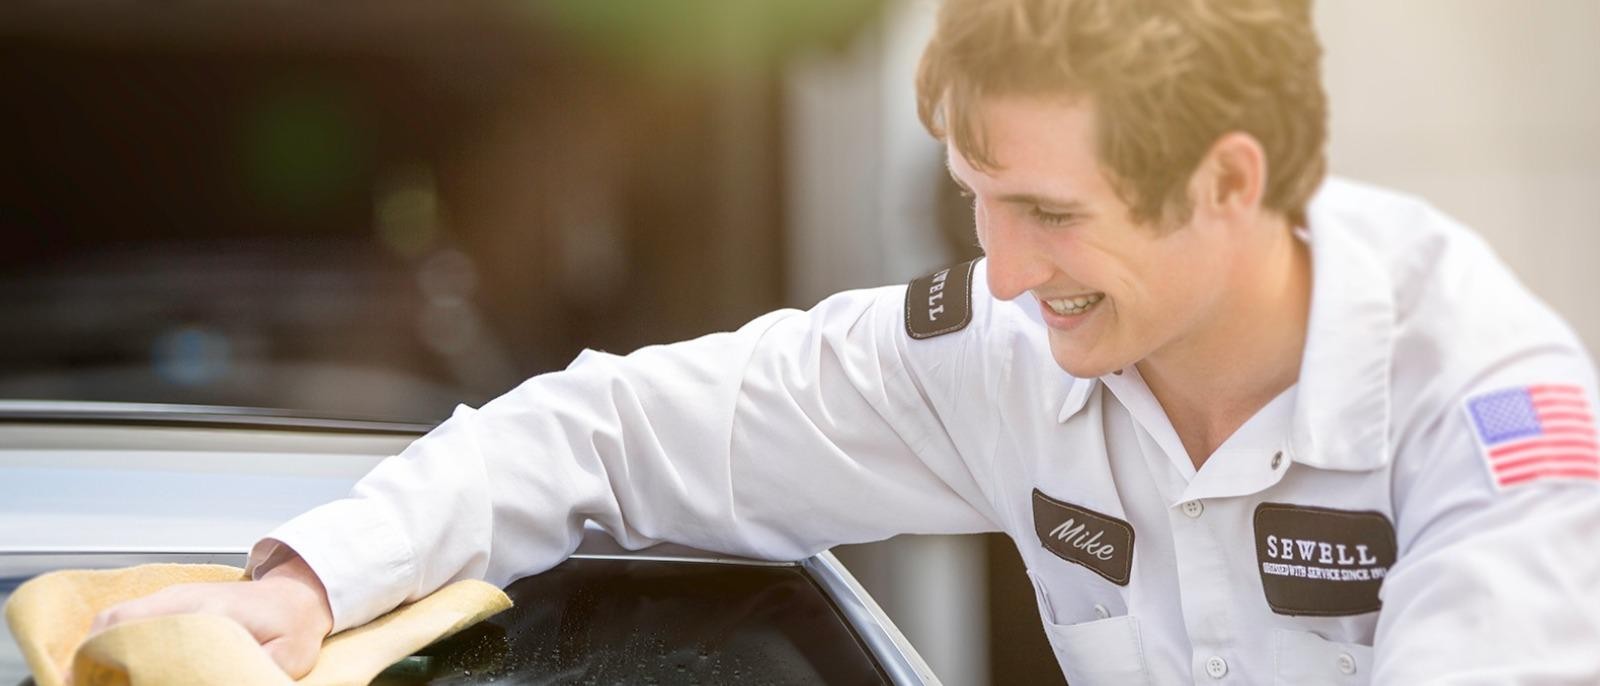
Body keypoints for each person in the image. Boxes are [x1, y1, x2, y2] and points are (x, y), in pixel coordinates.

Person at [92, 0, 1600, 683]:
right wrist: (308, 583)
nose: (999, 272)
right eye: (973, 203)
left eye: (1048, 212)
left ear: (1227, 179)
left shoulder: (1491, 415)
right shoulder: (1015, 345)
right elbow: (612, 432)